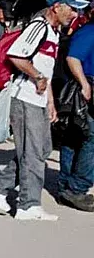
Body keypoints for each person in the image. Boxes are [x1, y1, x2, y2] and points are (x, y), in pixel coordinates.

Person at [0, 0, 88, 221]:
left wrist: (50, 100)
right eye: (71, 9)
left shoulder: (53, 31)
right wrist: (37, 77)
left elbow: (45, 69)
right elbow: (16, 55)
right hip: (25, 97)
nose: (75, 14)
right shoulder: (38, 26)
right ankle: (28, 205)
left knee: (41, 149)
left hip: (38, 99)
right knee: (33, 153)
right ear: (56, 7)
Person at [57, 19, 94, 212]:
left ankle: (66, 187)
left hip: (84, 90)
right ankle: (77, 188)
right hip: (86, 91)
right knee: (89, 139)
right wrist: (84, 84)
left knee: (75, 137)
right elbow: (73, 58)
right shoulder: (89, 32)